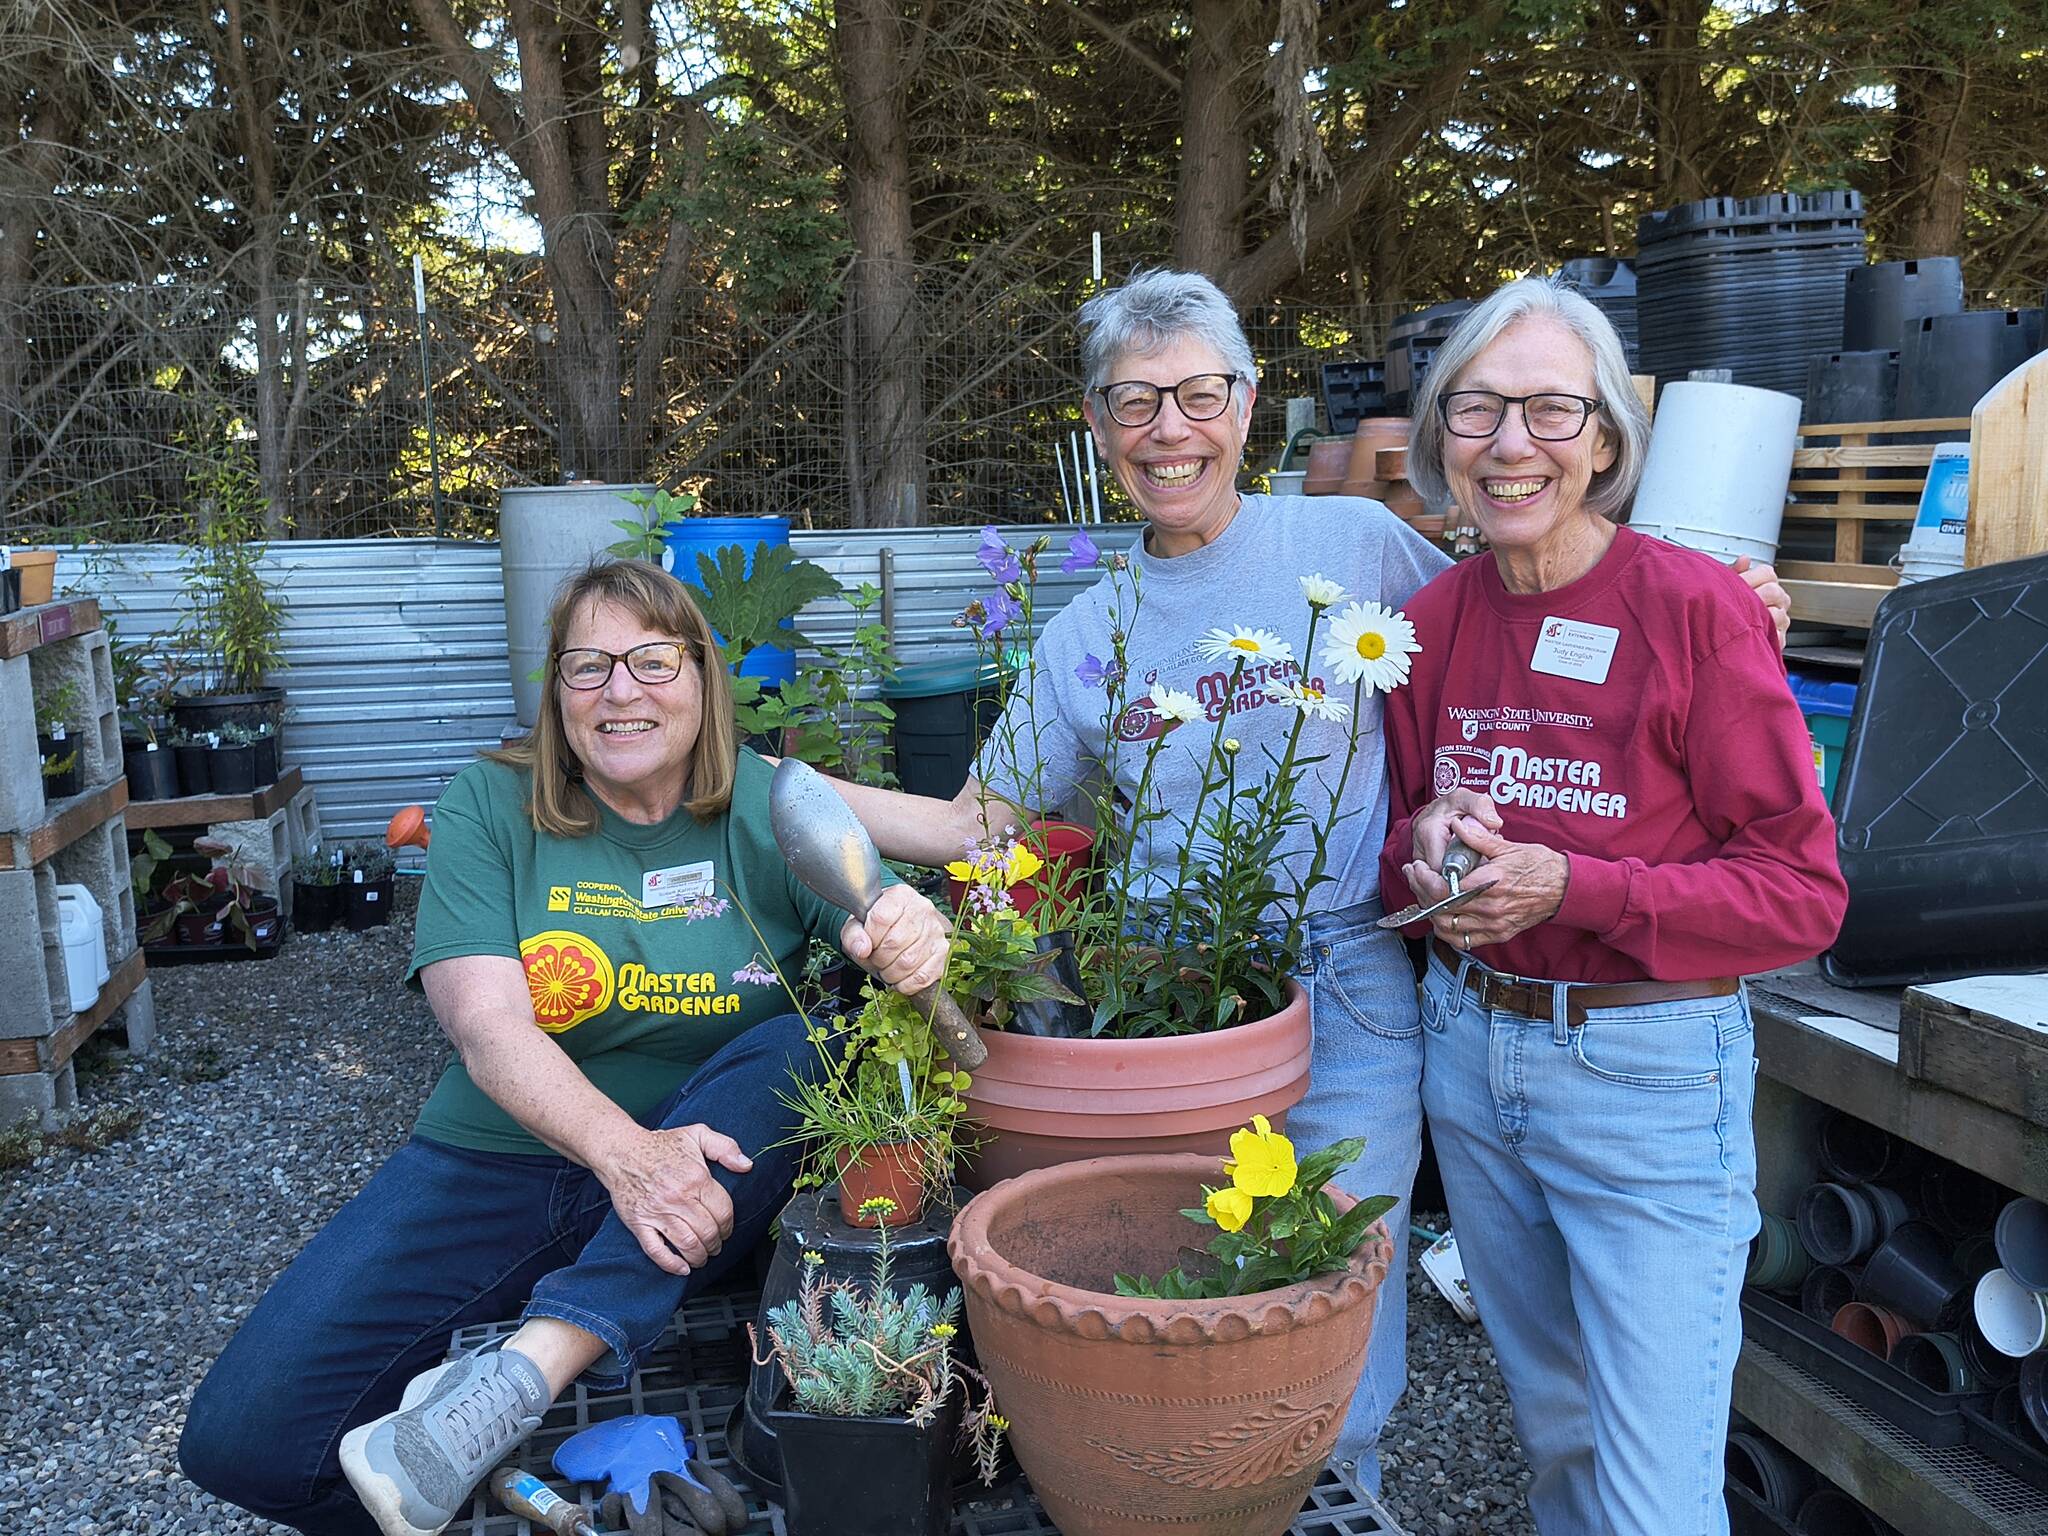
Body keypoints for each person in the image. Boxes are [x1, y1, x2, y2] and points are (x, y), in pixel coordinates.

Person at [822, 268, 1791, 1485]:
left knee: (1335, 1330)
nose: (1167, 430)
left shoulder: (1356, 545)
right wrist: (759, 784)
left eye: (1197, 394)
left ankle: (1341, 1499)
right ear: (1096, 426)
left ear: (1247, 404)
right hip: (1179, 1001)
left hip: (1359, 983)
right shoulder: (1088, 636)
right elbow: (978, 824)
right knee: (1192, 1295)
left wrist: (1723, 606)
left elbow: (1530, 584)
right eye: (1132, 402)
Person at [179, 559, 951, 1536]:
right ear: (553, 692)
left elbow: (874, 913)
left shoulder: (766, 804)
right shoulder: (488, 805)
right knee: (238, 1444)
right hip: (500, 1158)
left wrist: (902, 933)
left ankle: (522, 1375)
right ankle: (462, 1467)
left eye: (652, 661)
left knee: (816, 1037)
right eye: (587, 667)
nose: (620, 690)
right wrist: (625, 1156)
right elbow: (486, 1024)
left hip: (705, 1160)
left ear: (703, 679)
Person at [1378, 277, 1847, 1534]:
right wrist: (1424, 855)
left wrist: (1575, 885)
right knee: (1562, 1440)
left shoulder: (1693, 611)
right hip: (1472, 1061)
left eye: (1547, 411)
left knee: (1652, 1494)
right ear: (1439, 438)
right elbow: (1396, 849)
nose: (1510, 444)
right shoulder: (1426, 623)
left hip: (1645, 1068)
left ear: (1601, 440)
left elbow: (1801, 895)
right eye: (1477, 411)